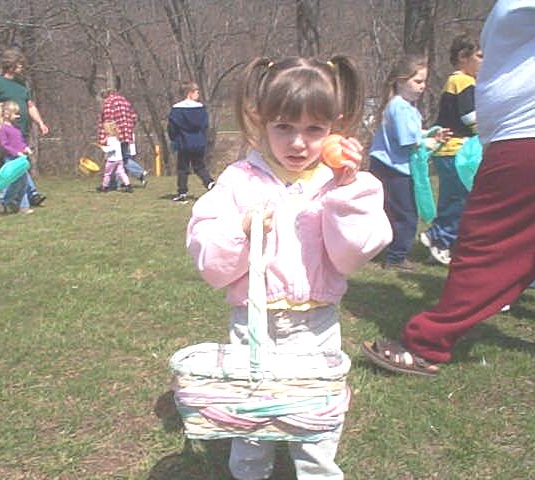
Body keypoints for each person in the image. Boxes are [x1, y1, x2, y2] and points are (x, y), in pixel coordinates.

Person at [186, 56, 392, 480]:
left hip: (316, 323)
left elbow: (353, 253)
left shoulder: (341, 183)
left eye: (314, 129)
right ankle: (249, 473)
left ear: (336, 126)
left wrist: (347, 192)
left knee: (316, 414)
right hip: (252, 322)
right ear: (261, 121)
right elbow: (208, 255)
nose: (298, 142)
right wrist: (242, 231)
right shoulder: (239, 181)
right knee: (251, 411)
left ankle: (317, 473)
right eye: (283, 127)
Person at [361, 0, 535, 376]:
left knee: (483, 240)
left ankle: (428, 340)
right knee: (421, 213)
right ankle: (409, 252)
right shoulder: (401, 105)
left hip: (524, 139)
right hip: (504, 141)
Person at [368, 54, 450, 270]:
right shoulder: (401, 107)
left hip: (385, 166)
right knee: (406, 215)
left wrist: (428, 134)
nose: (423, 86)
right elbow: (407, 141)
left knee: (389, 211)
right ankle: (396, 258)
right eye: (418, 81)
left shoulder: (401, 105)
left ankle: (379, 248)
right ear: (401, 80)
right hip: (394, 169)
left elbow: (412, 133)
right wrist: (428, 142)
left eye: (424, 81)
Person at [419, 34, 483, 265]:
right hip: (456, 152)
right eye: (479, 56)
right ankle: (437, 236)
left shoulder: (454, 81)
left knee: (450, 199)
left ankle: (442, 246)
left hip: (447, 152)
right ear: (463, 57)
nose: (483, 61)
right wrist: (488, 130)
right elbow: (469, 117)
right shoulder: (464, 81)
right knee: (460, 199)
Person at [0, 48, 48, 207]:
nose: (21, 66)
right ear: (9, 64)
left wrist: (40, 123)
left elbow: (30, 105)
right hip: (6, 133)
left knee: (20, 163)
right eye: (18, 63)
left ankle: (25, 196)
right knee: (15, 164)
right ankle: (14, 198)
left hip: (21, 131)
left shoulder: (22, 83)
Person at [168, 81, 215, 202]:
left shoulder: (177, 110)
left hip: (184, 142)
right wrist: (202, 138)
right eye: (196, 92)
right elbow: (205, 126)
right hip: (198, 142)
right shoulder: (201, 109)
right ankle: (209, 183)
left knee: (182, 169)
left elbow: (172, 128)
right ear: (190, 93)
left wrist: (174, 139)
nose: (198, 94)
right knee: (199, 166)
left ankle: (182, 192)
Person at [96, 76, 147, 188]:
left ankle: (139, 173)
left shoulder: (108, 103)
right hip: (126, 134)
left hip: (114, 136)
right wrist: (128, 129)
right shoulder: (124, 101)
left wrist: (104, 137)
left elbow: (108, 121)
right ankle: (117, 182)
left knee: (116, 159)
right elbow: (134, 117)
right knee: (122, 158)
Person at [0, 101, 33, 214]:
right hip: (11, 160)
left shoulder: (15, 128)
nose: (18, 116)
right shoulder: (3, 129)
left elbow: (20, 142)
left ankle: (22, 206)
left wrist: (25, 148)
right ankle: (3, 200)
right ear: (7, 114)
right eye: (15, 114)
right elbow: (4, 145)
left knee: (24, 183)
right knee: (15, 183)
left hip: (20, 160)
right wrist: (16, 153)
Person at [96, 121, 133, 193]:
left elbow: (111, 149)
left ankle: (105, 186)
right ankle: (128, 185)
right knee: (121, 173)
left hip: (112, 160)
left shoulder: (111, 139)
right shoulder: (117, 138)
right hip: (119, 160)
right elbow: (104, 142)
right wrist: (102, 142)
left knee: (107, 174)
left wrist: (102, 148)